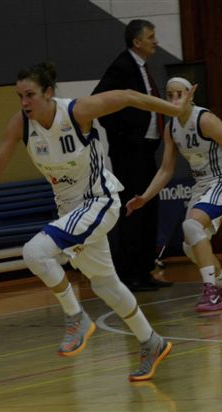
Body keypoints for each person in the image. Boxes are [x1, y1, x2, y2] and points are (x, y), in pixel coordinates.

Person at [0, 62, 196, 381]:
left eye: (30, 95)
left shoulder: (77, 112)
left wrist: (174, 110)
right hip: (69, 213)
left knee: (34, 252)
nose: (24, 102)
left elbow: (129, 95)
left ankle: (76, 317)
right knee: (105, 284)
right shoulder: (21, 124)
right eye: (19, 96)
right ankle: (151, 342)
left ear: (48, 93)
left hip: (99, 201)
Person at [126, 77, 222, 311]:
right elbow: (166, 170)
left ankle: (210, 291)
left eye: (179, 94)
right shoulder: (171, 127)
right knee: (190, 245)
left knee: (191, 226)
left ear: (191, 94)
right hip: (203, 183)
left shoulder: (205, 119)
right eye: (170, 95)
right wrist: (145, 197)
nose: (174, 99)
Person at [92, 19, 172, 292]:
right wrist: (125, 135)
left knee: (148, 207)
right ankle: (129, 274)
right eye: (151, 36)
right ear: (136, 42)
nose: (155, 41)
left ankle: (145, 270)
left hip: (145, 149)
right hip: (129, 153)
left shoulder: (141, 67)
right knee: (134, 210)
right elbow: (98, 103)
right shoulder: (122, 66)